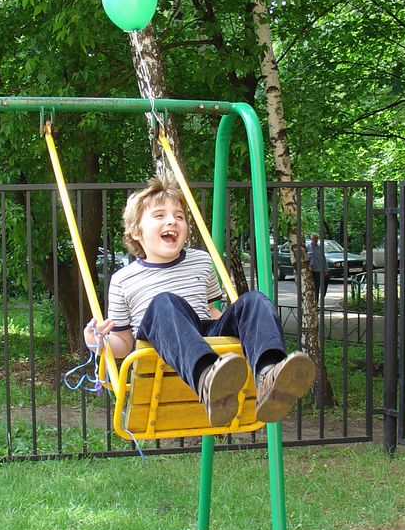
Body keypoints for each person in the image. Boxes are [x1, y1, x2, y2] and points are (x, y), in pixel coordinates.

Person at [84, 175, 315, 427]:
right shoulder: (123, 279)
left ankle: (268, 375)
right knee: (164, 303)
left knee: (255, 300)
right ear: (136, 231)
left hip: (204, 334)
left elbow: (211, 311)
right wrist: (97, 342)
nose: (172, 220)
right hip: (163, 349)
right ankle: (207, 377)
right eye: (159, 215)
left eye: (179, 216)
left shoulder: (201, 261)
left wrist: (238, 327)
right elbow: (124, 342)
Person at [308, 233, 329, 305]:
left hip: (318, 270)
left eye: (317, 238)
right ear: (311, 239)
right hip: (310, 271)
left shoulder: (320, 248)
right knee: (311, 288)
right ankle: (311, 303)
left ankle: (316, 303)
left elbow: (324, 259)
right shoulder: (308, 248)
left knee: (317, 287)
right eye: (314, 238)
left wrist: (325, 270)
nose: (316, 240)